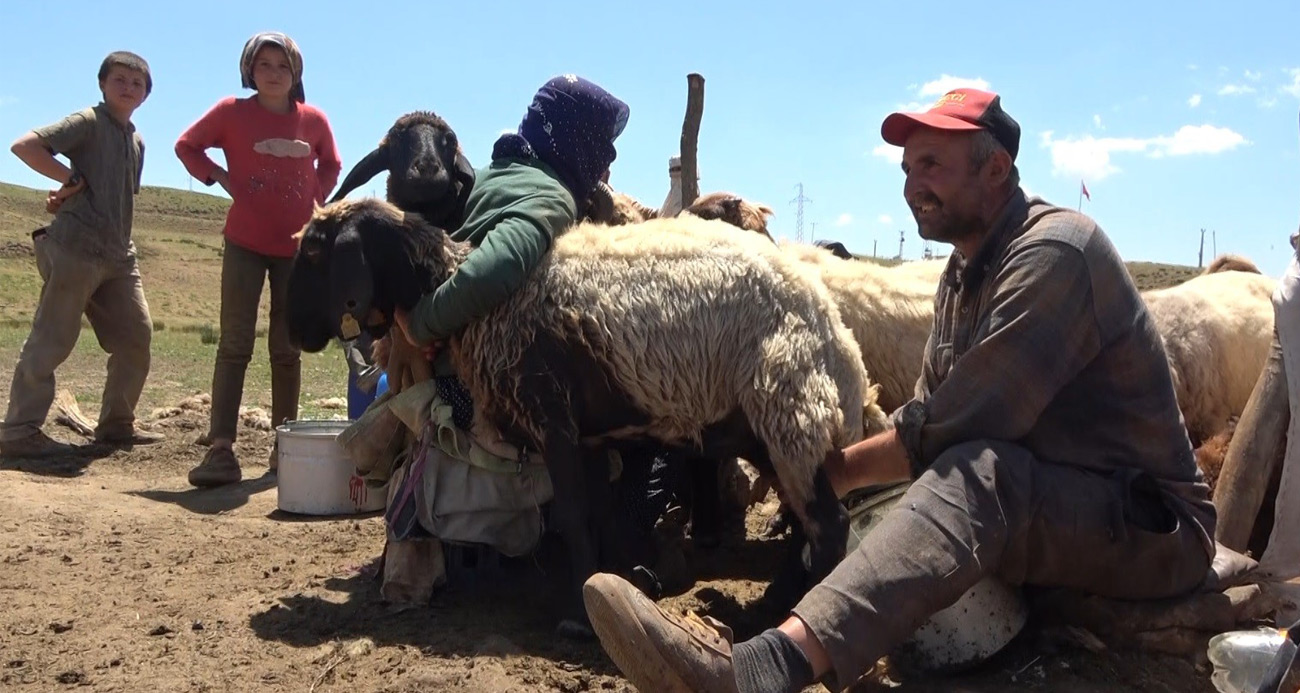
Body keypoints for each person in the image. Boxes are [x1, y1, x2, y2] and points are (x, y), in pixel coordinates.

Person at [581, 88, 1218, 693]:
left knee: (974, 471)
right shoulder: (962, 274)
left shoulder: (1058, 253)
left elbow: (967, 421)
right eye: (908, 169)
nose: (914, 185)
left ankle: (763, 670)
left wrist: (832, 473)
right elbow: (922, 410)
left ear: (996, 169)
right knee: (886, 492)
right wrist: (839, 483)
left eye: (933, 164)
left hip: (1149, 525)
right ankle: (788, 622)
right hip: (1062, 502)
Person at [175, 31, 340, 487]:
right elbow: (187, 145)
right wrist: (219, 177)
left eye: (283, 67)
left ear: (296, 74)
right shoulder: (231, 113)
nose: (273, 74)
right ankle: (221, 451)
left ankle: (283, 447)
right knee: (234, 344)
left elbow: (331, 163)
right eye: (264, 65)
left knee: (287, 349)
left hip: (295, 248)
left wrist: (315, 196)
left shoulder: (314, 121)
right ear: (249, 69)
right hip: (244, 244)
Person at [392, 73, 629, 356]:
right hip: (476, 371)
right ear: (582, 148)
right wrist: (418, 326)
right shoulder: (550, 198)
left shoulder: (480, 177)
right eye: (603, 149)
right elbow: (494, 268)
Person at [1, 51, 163, 458]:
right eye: (120, 79)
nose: (128, 87)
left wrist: (67, 194)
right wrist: (69, 177)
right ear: (103, 84)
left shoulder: (136, 140)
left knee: (136, 336)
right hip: (74, 247)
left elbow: (115, 195)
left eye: (136, 83)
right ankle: (19, 431)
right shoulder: (88, 122)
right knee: (53, 336)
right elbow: (25, 146)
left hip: (118, 255)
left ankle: (115, 425)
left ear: (146, 94)